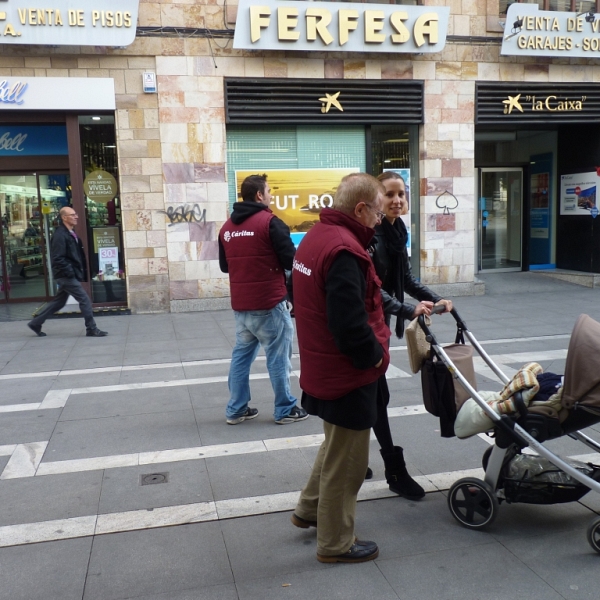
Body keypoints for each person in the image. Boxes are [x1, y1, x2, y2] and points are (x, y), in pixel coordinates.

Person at [291, 173, 389, 564]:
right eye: (378, 213)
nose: (380, 221)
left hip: (323, 365)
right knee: (348, 462)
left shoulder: (316, 237)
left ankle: (308, 509)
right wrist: (376, 357)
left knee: (334, 446)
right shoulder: (345, 250)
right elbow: (349, 326)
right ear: (361, 208)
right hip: (346, 372)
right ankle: (335, 543)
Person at [369, 171, 452, 499]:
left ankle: (354, 458)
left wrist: (433, 299)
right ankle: (394, 469)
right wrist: (409, 310)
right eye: (389, 195)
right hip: (367, 324)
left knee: (372, 395)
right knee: (376, 395)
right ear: (377, 199)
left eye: (401, 194)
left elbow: (404, 278)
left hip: (381, 322)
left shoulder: (396, 230)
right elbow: (372, 288)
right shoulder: (373, 236)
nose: (397, 200)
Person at [218, 174, 308, 426]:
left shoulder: (226, 229)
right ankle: (285, 408)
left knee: (241, 356)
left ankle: (236, 409)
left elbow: (225, 267)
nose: (271, 195)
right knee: (278, 357)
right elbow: (292, 260)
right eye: (269, 191)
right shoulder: (270, 222)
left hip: (241, 306)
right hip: (269, 302)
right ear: (259, 195)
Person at [27, 207, 107, 338]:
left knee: (59, 302)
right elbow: (57, 258)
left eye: (76, 214)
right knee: (85, 300)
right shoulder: (60, 235)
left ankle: (36, 323)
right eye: (72, 215)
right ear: (64, 217)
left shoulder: (70, 233)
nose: (76, 217)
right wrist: (70, 272)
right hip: (65, 275)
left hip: (69, 273)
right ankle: (91, 328)